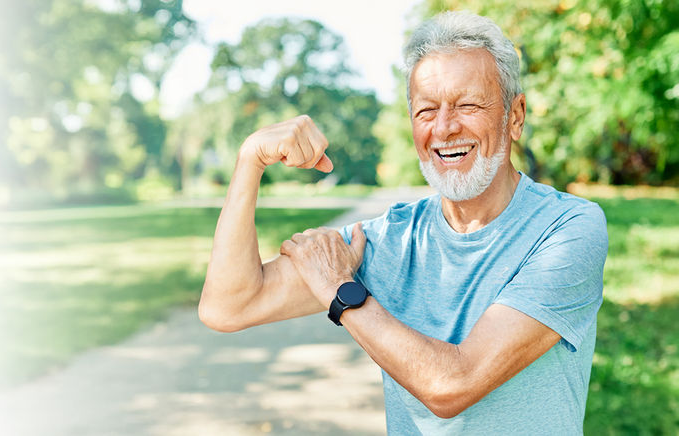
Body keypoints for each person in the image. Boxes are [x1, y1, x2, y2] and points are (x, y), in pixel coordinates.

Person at [197, 10, 607, 435]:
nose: (445, 128)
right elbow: (228, 306)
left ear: (515, 116)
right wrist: (250, 161)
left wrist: (342, 291)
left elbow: (454, 386)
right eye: (427, 110)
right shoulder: (393, 239)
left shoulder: (568, 228)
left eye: (468, 105)